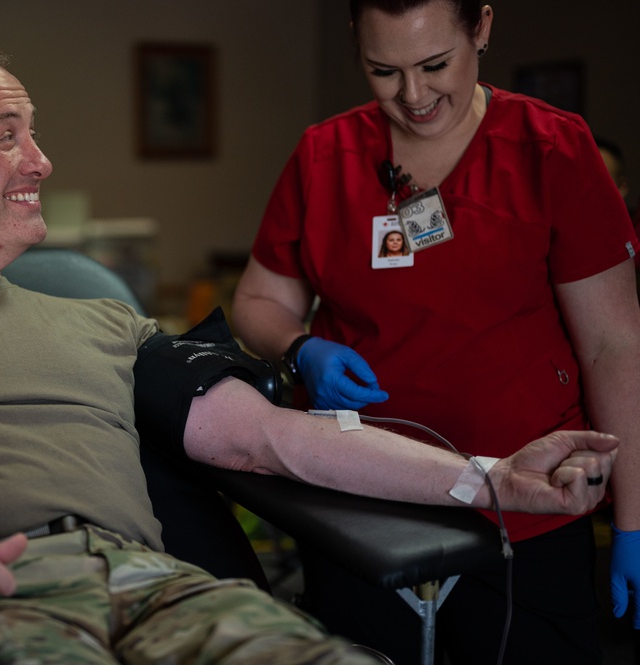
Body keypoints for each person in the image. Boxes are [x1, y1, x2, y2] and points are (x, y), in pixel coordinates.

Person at [0, 43, 617, 665]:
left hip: (157, 589)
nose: (42, 160)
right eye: (9, 137)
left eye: (35, 135)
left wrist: (492, 479)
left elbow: (273, 440)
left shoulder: (98, 318)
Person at [231, 1, 640, 663]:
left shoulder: (551, 149)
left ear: (479, 27)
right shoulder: (323, 155)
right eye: (382, 71)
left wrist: (634, 517)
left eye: (433, 64)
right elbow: (257, 297)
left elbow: (614, 343)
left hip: (524, 504)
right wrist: (299, 346)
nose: (413, 96)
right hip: (361, 500)